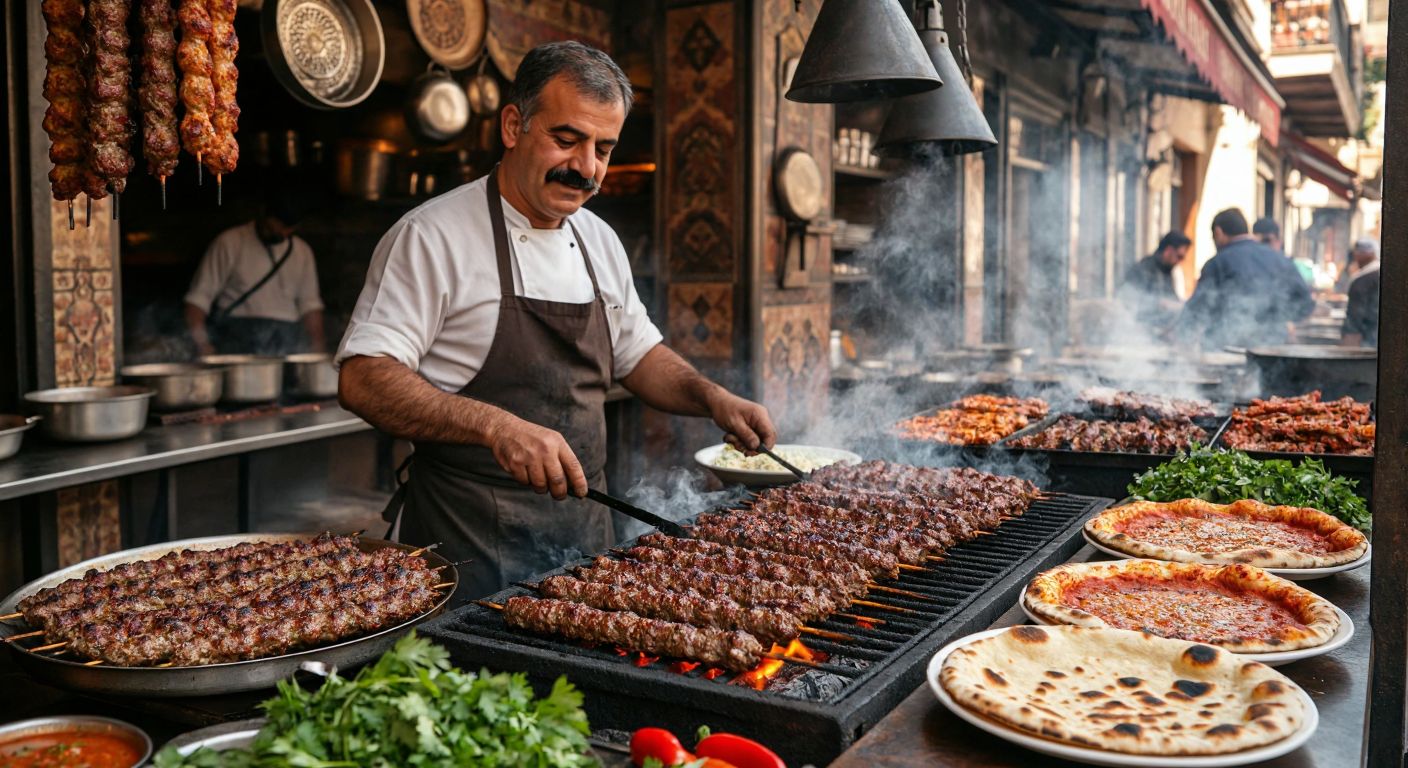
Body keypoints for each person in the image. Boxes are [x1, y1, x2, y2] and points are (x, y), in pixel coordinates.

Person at [335, 42, 776, 599]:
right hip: (465, 549)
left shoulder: (599, 239)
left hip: (583, 539)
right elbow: (364, 377)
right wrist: (496, 427)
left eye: (604, 148)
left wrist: (711, 397)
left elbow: (638, 355)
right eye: (566, 140)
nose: (586, 168)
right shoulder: (432, 236)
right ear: (514, 125)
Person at [185, 186, 325, 356]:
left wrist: (318, 350)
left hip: (285, 341)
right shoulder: (229, 243)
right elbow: (199, 298)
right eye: (278, 224)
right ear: (264, 213)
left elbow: (310, 306)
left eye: (289, 228)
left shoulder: (302, 252)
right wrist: (201, 343)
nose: (283, 232)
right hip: (236, 339)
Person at [1176, 208, 1314, 349]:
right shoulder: (1280, 260)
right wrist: (1275, 318)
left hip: (1224, 350)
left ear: (1219, 233)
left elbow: (1196, 311)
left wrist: (1176, 339)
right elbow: (1305, 305)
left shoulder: (1217, 263)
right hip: (1273, 350)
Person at [1118, 231, 1190, 334]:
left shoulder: (1167, 272)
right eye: (1179, 256)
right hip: (1140, 333)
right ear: (1168, 250)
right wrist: (1162, 303)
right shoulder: (1144, 269)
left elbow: (1173, 299)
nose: (1180, 261)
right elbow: (1130, 302)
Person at [1341, 237, 1380, 347]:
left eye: (1358, 253)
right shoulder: (1382, 274)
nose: (1356, 256)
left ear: (1368, 254)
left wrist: (1350, 335)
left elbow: (1355, 314)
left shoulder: (1362, 279)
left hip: (1365, 338)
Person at [1254, 217, 1313, 285]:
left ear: (1279, 241)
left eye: (1266, 241)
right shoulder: (1250, 266)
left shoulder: (1293, 267)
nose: (1263, 248)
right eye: (1258, 243)